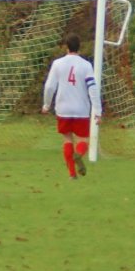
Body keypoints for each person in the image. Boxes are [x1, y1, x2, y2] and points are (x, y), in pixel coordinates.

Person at [41, 34, 102, 179]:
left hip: (63, 109)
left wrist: (46, 104)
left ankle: (72, 174)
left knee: (67, 139)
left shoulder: (57, 64)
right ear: (79, 47)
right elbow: (93, 88)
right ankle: (79, 154)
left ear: (66, 47)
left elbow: (49, 87)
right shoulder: (86, 65)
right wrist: (98, 110)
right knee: (83, 140)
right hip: (81, 109)